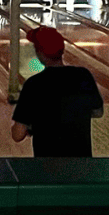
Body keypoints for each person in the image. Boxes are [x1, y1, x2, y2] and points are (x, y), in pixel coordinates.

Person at [11, 26, 103, 157]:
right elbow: (98, 112)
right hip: (82, 169)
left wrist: (38, 122)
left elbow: (17, 134)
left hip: (47, 169)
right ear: (62, 50)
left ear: (39, 53)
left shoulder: (33, 85)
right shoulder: (83, 76)